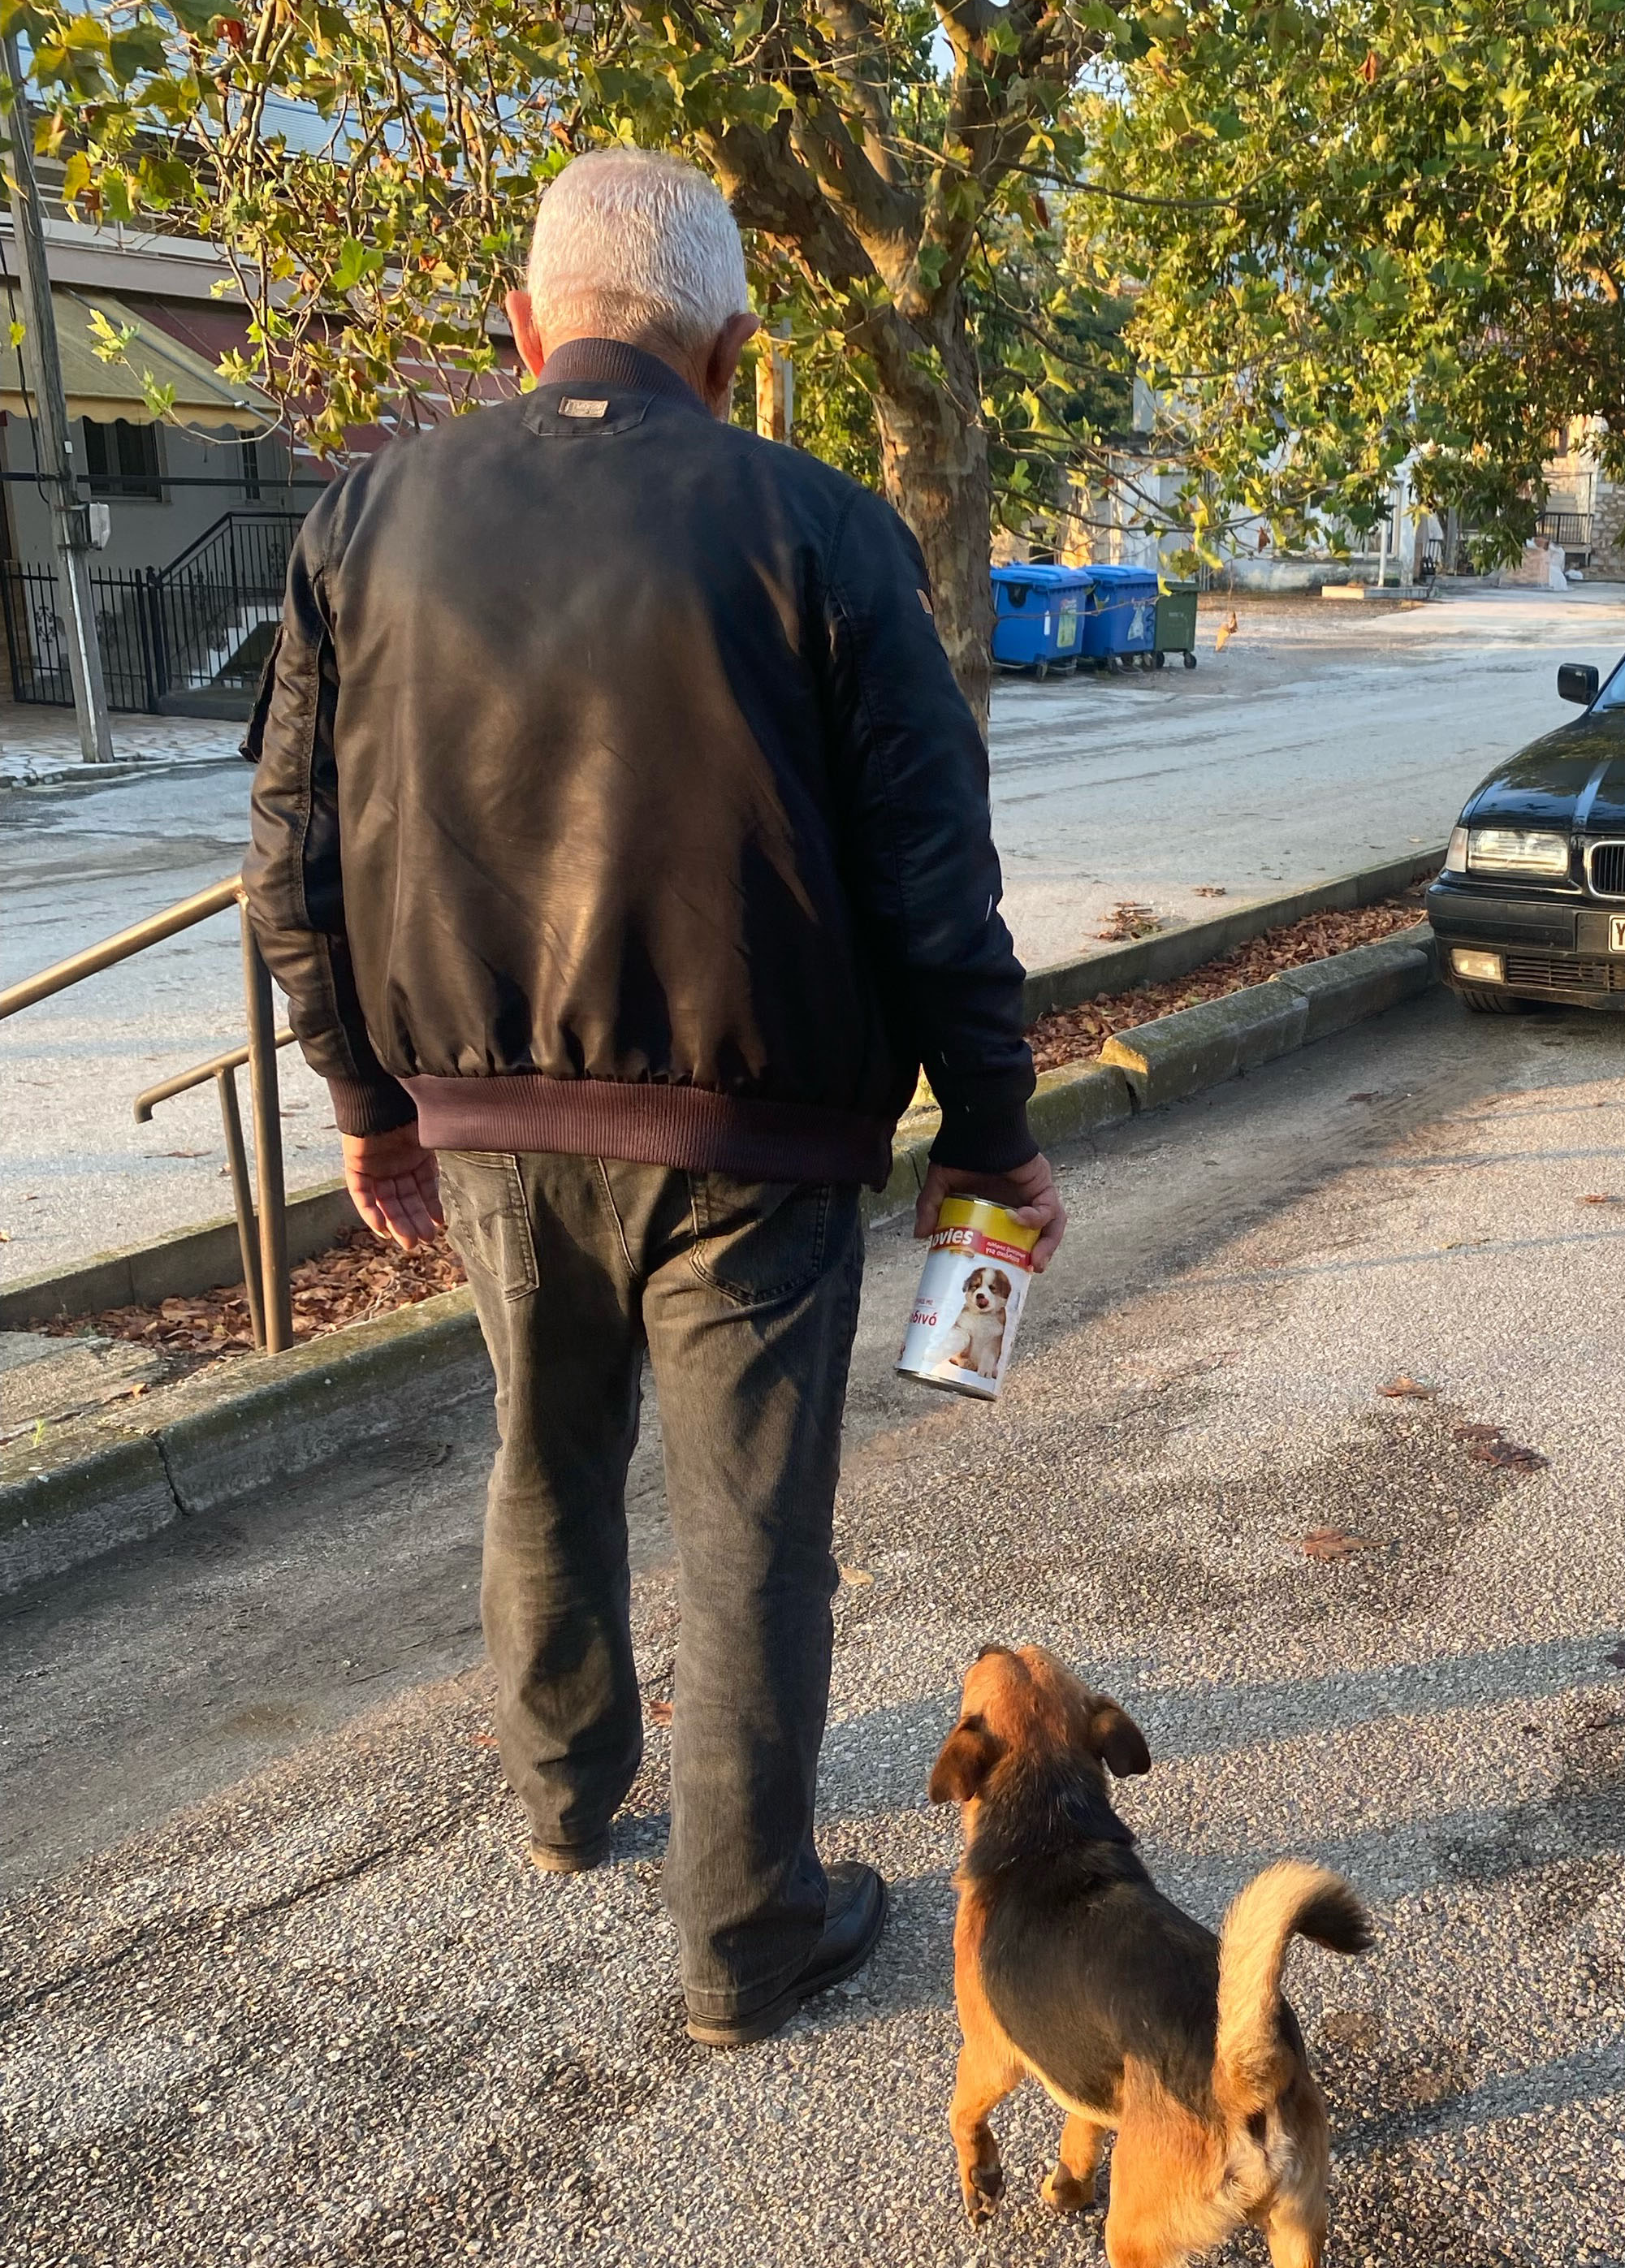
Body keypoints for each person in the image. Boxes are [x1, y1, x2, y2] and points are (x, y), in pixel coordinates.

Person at [243, 147, 1062, 2048]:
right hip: (753, 1143)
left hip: (487, 1123)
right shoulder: (826, 529)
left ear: (522, 329)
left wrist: (365, 1097)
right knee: (753, 1530)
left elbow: (289, 854)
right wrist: (993, 1133)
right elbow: (934, 875)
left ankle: (561, 1798)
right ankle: (747, 1934)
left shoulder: (362, 522)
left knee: (543, 1460)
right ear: (732, 348)